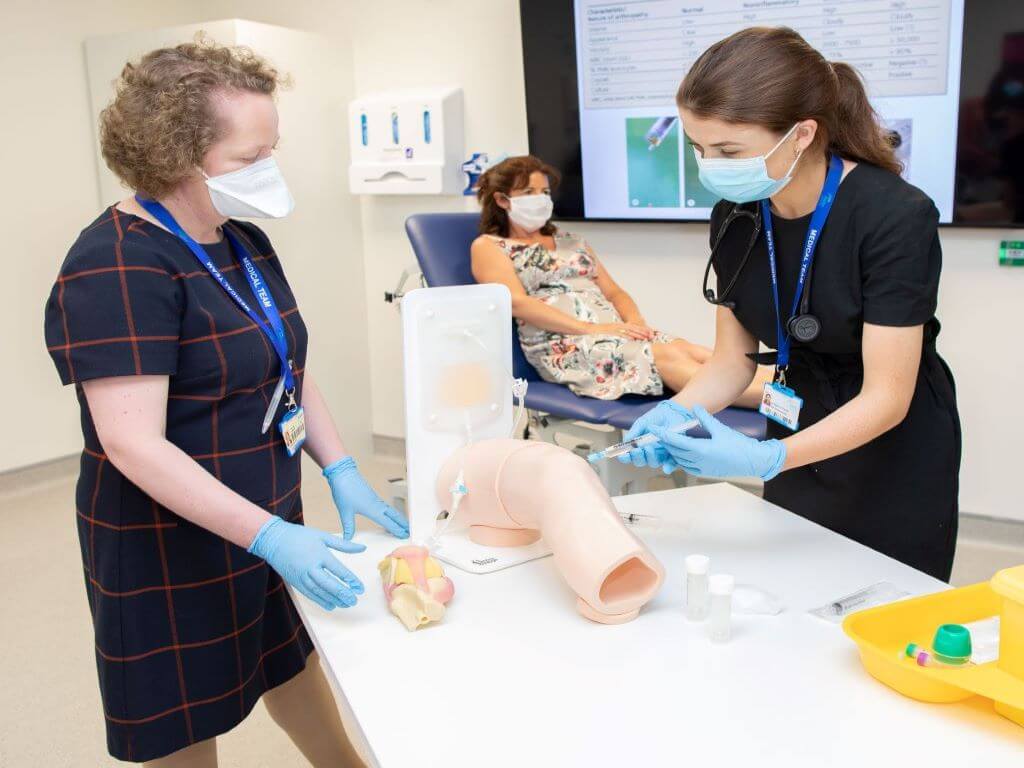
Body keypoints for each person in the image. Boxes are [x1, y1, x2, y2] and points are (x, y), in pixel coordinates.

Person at [43, 39, 407, 766]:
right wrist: (269, 537)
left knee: (289, 660)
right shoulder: (115, 264)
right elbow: (132, 444)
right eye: (249, 159)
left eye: (271, 149)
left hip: (264, 505)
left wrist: (338, 467)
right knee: (181, 720)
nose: (268, 170)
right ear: (174, 154)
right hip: (166, 535)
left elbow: (287, 364)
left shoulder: (242, 240)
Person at [623, 27, 961, 581]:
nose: (711, 165)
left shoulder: (894, 216)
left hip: (889, 445)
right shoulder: (737, 213)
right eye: (698, 148)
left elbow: (888, 397)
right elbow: (733, 362)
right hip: (795, 416)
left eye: (729, 150)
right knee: (795, 588)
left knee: (884, 600)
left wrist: (767, 459)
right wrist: (677, 412)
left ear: (802, 134)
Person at [471, 155, 770, 405]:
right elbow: (517, 303)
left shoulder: (570, 240)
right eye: (529, 193)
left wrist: (636, 323)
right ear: (502, 200)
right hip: (563, 345)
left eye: (545, 193)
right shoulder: (489, 247)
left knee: (689, 349)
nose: (541, 199)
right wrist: (592, 328)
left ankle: (793, 391)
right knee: (664, 355)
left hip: (612, 331)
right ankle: (782, 406)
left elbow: (614, 293)